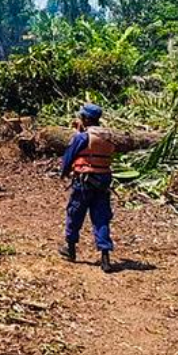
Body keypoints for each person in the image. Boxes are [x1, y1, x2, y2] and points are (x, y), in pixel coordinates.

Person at [59, 104, 116, 273]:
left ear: (85, 119)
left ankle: (70, 249)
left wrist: (63, 173)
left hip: (84, 181)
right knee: (101, 217)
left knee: (75, 212)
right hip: (103, 181)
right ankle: (105, 257)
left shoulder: (82, 137)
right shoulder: (108, 137)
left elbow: (69, 156)